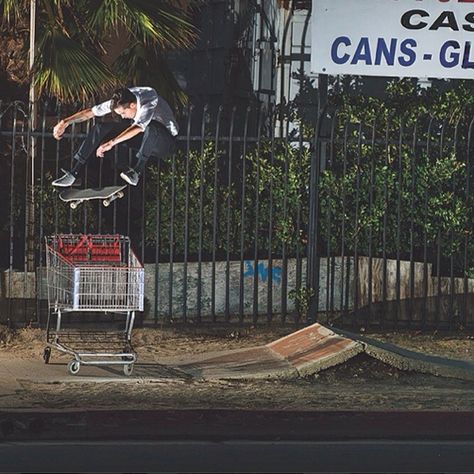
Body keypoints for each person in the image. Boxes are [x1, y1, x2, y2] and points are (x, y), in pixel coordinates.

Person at [52, 86, 179, 187]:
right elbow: (91, 112)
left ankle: (136, 172)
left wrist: (112, 142)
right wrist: (66, 122)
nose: (122, 116)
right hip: (142, 138)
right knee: (101, 127)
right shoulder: (121, 99)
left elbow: (139, 127)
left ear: (133, 105)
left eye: (123, 113)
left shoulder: (149, 97)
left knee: (151, 127)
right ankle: (74, 173)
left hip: (165, 142)